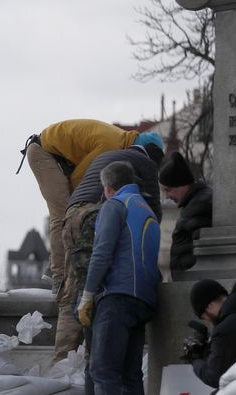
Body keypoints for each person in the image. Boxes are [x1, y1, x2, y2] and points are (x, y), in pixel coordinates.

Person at [38, 128, 162, 363]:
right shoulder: (145, 165)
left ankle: (62, 362)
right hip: (95, 215)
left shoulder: (110, 154)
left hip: (72, 214)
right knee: (93, 288)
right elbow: (152, 215)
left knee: (71, 288)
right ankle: (92, 358)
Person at [22, 121, 157, 289]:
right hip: (43, 153)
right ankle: (59, 276)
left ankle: (61, 267)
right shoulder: (111, 146)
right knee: (64, 214)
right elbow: (81, 178)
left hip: (58, 157)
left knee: (74, 213)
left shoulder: (120, 139)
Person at [76, 161, 161, 395]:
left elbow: (101, 253)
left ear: (108, 188)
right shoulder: (147, 210)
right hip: (144, 301)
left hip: (117, 298)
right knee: (130, 375)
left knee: (103, 371)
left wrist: (87, 295)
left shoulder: (115, 205)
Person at [159, 152, 213, 276]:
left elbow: (203, 249)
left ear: (183, 185)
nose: (167, 196)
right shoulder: (195, 202)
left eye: (168, 190)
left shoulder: (199, 205)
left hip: (192, 278)